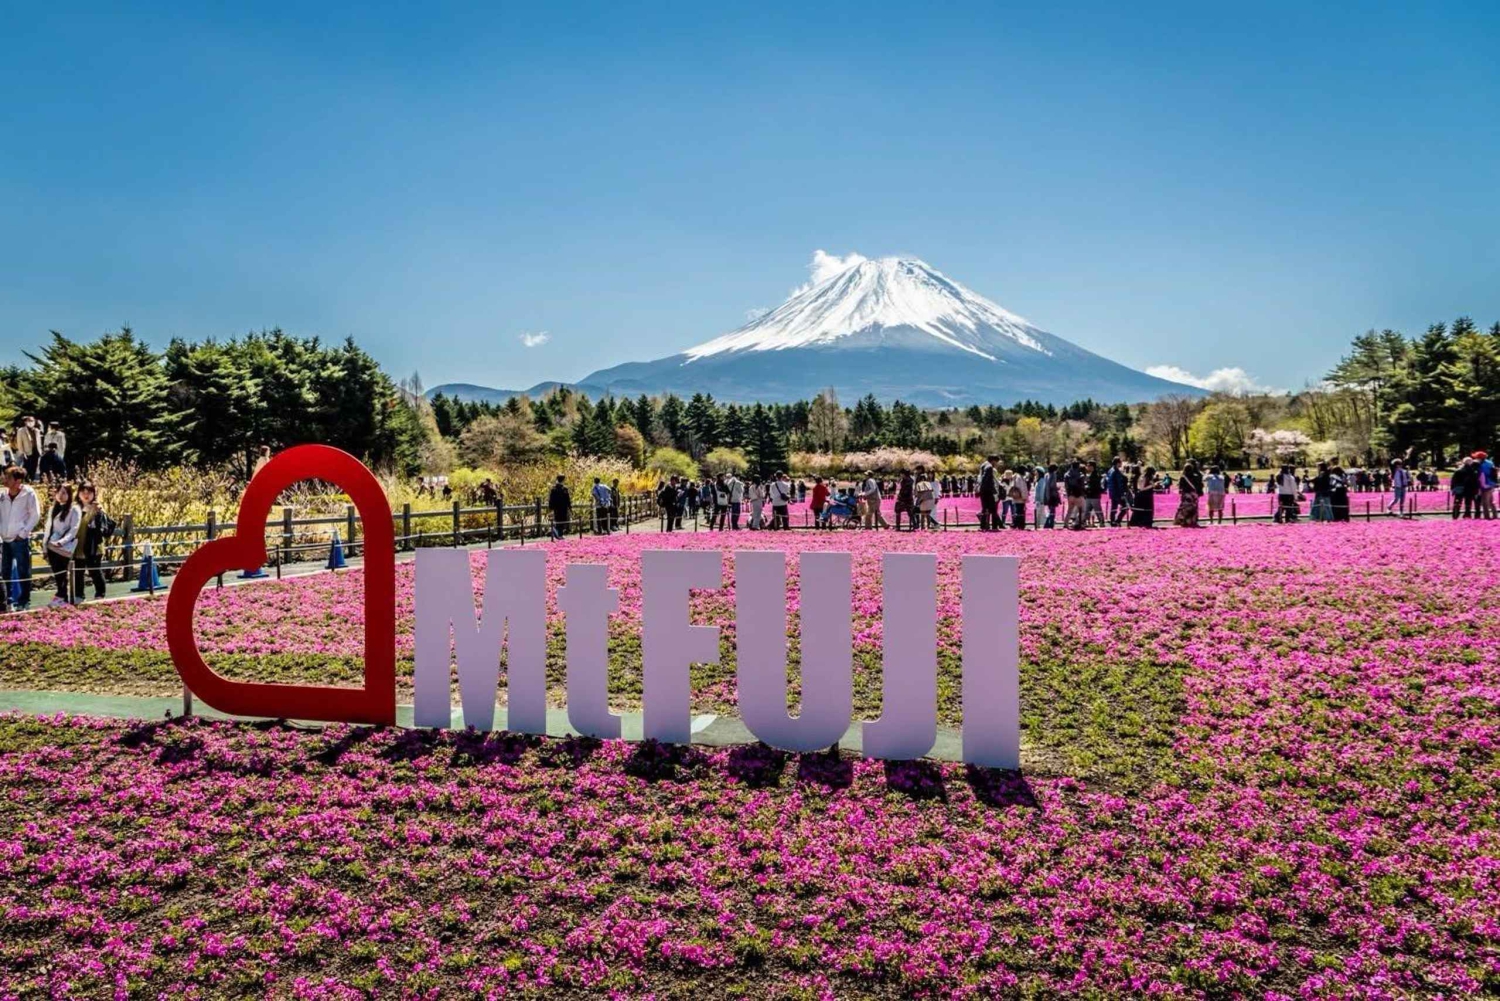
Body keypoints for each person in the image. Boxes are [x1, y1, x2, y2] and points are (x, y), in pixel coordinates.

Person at [0, 467, 40, 612]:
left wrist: (22, 533)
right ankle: (8, 601)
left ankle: (24, 601)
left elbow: (35, 515)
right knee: (5, 571)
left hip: (20, 540)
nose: (4, 480)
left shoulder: (28, 493)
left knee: (23, 570)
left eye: (8, 477)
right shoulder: (3, 496)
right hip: (5, 539)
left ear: (17, 481)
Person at [73, 481, 114, 602]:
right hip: (77, 546)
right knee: (78, 572)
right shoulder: (74, 508)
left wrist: (95, 514)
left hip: (93, 546)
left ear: (93, 494)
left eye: (89, 492)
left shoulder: (98, 509)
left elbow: (100, 529)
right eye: (83, 492)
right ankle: (79, 595)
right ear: (78, 493)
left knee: (94, 570)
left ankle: (100, 593)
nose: (86, 495)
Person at [42, 483, 80, 607]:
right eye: (59, 492)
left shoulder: (74, 509)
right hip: (51, 546)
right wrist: (45, 546)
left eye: (64, 493)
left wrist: (61, 542)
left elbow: (74, 529)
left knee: (62, 573)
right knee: (57, 573)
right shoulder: (53, 509)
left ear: (70, 495)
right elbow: (48, 529)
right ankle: (62, 596)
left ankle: (62, 596)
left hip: (64, 546)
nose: (61, 495)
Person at [977, 456, 999, 531]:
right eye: (996, 462)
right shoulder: (989, 467)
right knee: (993, 509)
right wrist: (993, 490)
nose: (996, 464)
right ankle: (994, 526)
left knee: (984, 509)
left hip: (983, 491)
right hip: (988, 491)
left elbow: (981, 478)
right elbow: (986, 479)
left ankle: (983, 526)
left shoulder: (983, 465)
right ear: (993, 461)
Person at [1083, 461, 1105, 528]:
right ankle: (1087, 522)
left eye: (1089, 466)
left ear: (1092, 467)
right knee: (1087, 510)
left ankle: (1101, 522)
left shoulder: (1095, 475)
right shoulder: (1092, 475)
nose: (1087, 467)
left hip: (1094, 495)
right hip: (1091, 495)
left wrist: (1086, 487)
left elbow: (1094, 486)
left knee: (1097, 510)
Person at [1475, 452, 1496, 520]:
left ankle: (1487, 516)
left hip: (1485, 484)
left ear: (1480, 458)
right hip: (1491, 483)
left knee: (1485, 502)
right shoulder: (1490, 462)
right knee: (1491, 501)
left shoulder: (1481, 465)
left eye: (1477, 457)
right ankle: (1495, 515)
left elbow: (1481, 475)